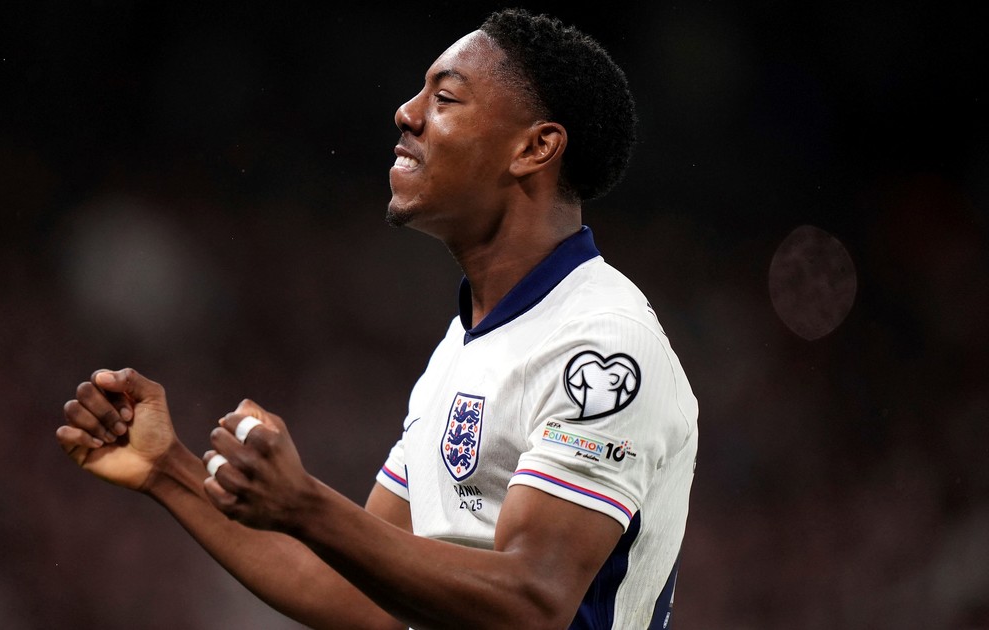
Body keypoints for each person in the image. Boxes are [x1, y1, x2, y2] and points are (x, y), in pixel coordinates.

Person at [57, 8, 698, 629]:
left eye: (444, 98)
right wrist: (168, 469)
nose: (406, 113)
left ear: (535, 147)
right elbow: (362, 595)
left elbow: (535, 602)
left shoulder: (602, 343)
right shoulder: (467, 344)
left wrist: (306, 505)